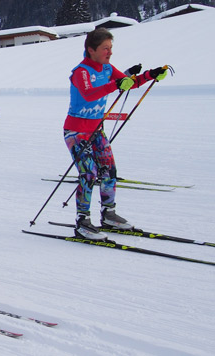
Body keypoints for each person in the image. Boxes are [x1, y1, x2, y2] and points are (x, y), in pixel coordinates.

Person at [64, 28, 167, 240]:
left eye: (111, 48)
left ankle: (108, 214)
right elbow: (89, 94)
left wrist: (149, 75)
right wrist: (116, 84)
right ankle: (83, 221)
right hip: (76, 131)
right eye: (105, 49)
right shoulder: (81, 72)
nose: (109, 53)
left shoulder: (107, 69)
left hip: (96, 129)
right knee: (89, 172)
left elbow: (128, 84)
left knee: (109, 170)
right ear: (91, 50)